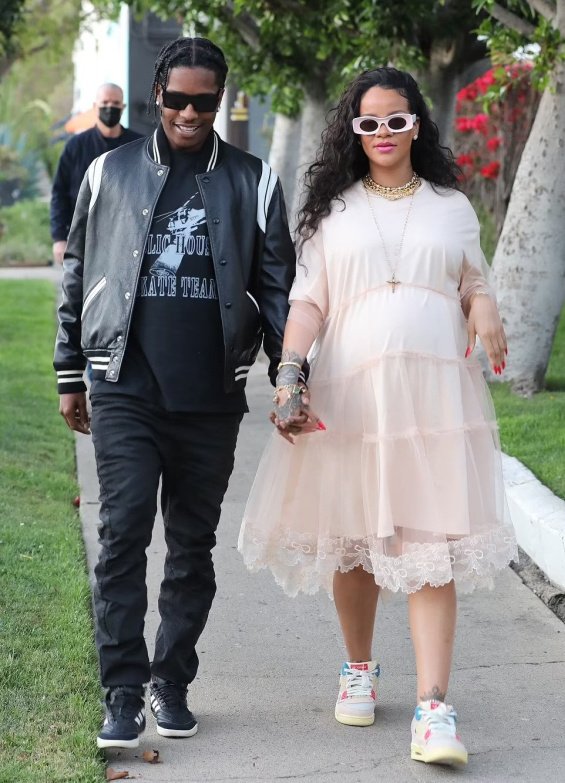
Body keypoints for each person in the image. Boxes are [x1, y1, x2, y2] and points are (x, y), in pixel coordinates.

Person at [238, 67, 518, 767]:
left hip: (432, 405)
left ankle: (433, 709)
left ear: (417, 123)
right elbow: (308, 303)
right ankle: (358, 666)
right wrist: (290, 374)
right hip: (352, 396)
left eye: (396, 119)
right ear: (352, 132)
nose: (384, 133)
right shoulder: (331, 212)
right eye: (369, 122)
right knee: (356, 544)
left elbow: (469, 274)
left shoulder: (449, 205)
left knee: (431, 550)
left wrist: (479, 300)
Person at [53, 37, 301, 750]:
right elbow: (78, 277)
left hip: (210, 393)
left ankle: (172, 679)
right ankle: (123, 689)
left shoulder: (252, 180)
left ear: (219, 100)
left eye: (204, 101)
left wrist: (289, 377)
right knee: (124, 533)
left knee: (192, 545)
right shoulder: (108, 172)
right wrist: (71, 369)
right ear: (155, 95)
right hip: (125, 384)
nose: (190, 112)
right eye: (177, 99)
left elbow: (279, 288)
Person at [50, 83, 142, 265]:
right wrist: (59, 238)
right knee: (78, 291)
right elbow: (59, 193)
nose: (110, 107)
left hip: (127, 238)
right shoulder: (75, 147)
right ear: (95, 107)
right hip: (82, 237)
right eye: (105, 102)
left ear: (123, 107)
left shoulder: (138, 146)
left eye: (116, 103)